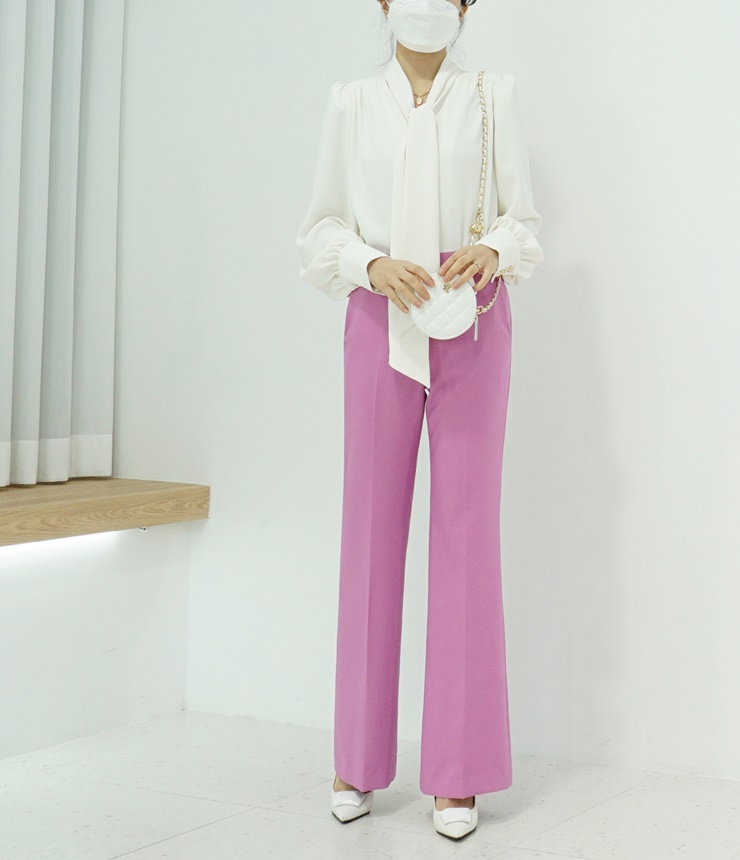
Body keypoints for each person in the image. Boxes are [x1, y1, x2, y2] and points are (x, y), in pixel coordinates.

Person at [296, 0, 543, 840]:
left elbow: (523, 219)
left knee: (467, 535)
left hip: (471, 313)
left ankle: (459, 771)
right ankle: (356, 759)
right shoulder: (351, 102)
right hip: (381, 313)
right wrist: (369, 264)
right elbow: (320, 228)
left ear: (466, 5)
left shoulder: (494, 96)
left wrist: (495, 249)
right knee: (370, 531)